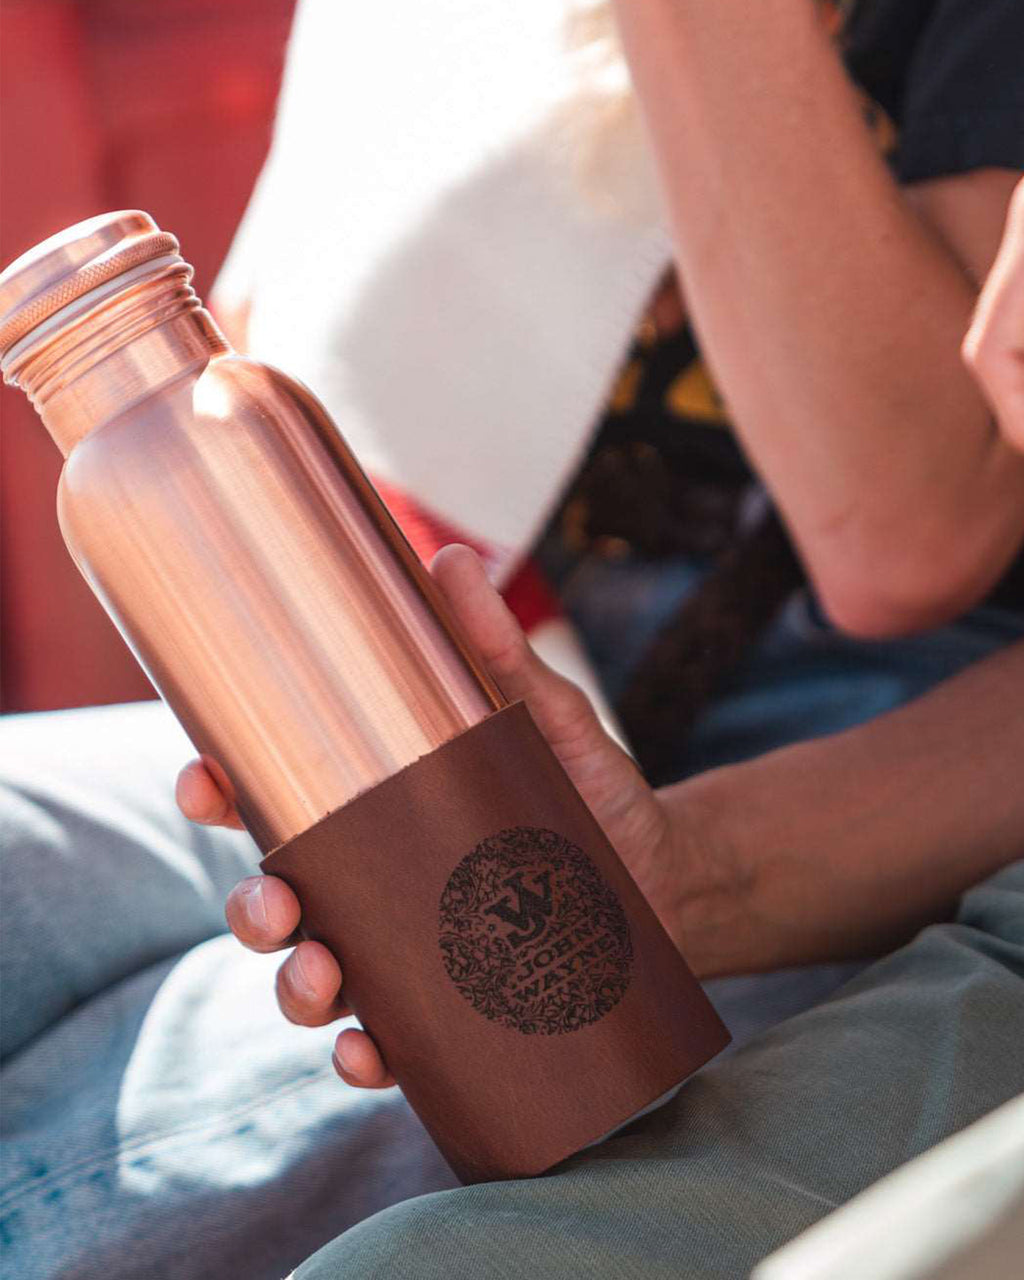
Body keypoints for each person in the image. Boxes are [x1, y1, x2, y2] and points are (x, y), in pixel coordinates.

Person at [3, 3, 1024, 1278]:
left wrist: (699, 866)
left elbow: (905, 536)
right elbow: (284, 308)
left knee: (75, 1180)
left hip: (833, 772)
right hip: (448, 712)